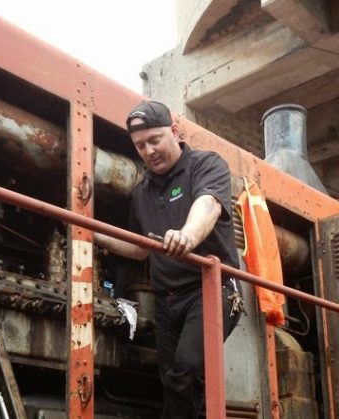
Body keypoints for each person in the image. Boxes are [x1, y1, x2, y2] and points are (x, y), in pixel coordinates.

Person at [94, 100, 242, 418]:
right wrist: (91, 233)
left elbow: (209, 205)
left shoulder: (206, 165)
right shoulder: (142, 193)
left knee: (185, 372)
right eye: (140, 145)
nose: (148, 151)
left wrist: (187, 235)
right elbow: (142, 248)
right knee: (174, 382)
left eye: (154, 139)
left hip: (210, 291)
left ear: (174, 131)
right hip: (166, 302)